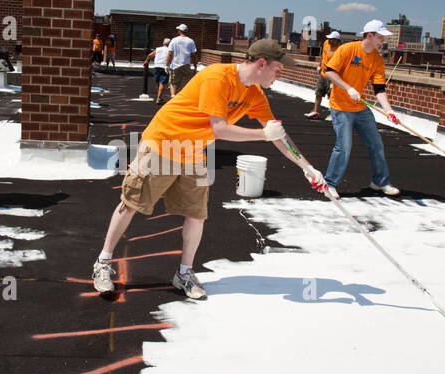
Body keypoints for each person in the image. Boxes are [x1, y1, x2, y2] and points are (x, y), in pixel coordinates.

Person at [92, 39, 330, 299]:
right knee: (131, 203)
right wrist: (262, 135)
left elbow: (278, 136)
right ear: (262, 63)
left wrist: (307, 168)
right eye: (277, 69)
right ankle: (103, 263)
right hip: (163, 142)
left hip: (194, 152)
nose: (279, 75)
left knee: (197, 214)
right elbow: (220, 129)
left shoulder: (255, 94)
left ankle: (184, 274)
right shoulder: (218, 77)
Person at [322, 19, 403, 196]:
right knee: (344, 146)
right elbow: (329, 71)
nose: (383, 41)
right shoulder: (347, 49)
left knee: (376, 144)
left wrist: (389, 110)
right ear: (369, 35)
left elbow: (379, 89)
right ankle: (329, 184)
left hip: (360, 108)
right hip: (341, 106)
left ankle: (380, 182)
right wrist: (348, 88)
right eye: (380, 37)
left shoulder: (377, 60)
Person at [305, 30, 343, 119]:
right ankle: (315, 111)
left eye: (331, 39)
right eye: (329, 38)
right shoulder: (326, 43)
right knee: (319, 92)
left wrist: (335, 81)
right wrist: (319, 65)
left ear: (336, 40)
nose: (329, 40)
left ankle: (333, 114)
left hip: (333, 75)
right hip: (323, 73)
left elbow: (341, 65)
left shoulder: (340, 50)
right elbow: (323, 55)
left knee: (332, 96)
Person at [167, 23, 197, 94]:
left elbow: (170, 53)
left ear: (180, 31)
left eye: (178, 30)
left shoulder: (174, 40)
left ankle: (173, 96)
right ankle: (181, 97)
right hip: (186, 65)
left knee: (173, 83)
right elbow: (193, 55)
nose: (177, 31)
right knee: (185, 83)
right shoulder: (191, 41)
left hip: (175, 65)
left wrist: (166, 65)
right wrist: (195, 65)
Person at [146, 37, 173, 104]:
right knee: (162, 83)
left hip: (156, 66)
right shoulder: (170, 50)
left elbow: (150, 55)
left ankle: (159, 96)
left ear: (163, 43)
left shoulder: (158, 49)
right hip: (164, 67)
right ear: (169, 44)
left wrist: (146, 61)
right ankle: (159, 98)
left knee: (157, 82)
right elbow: (171, 58)